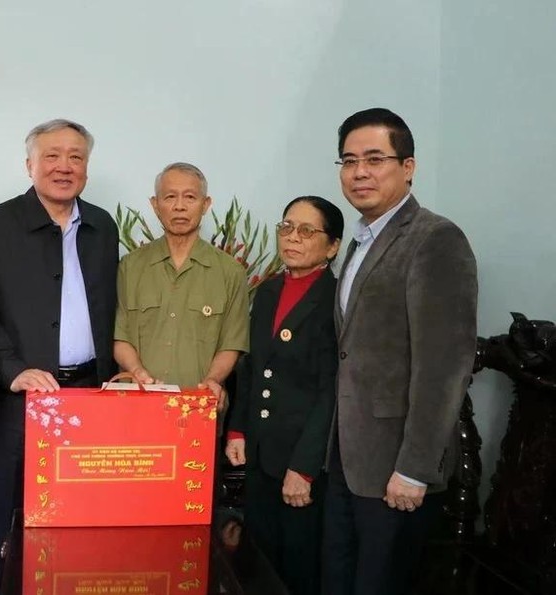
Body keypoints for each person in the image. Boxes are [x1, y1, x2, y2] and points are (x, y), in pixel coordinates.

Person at [322, 108, 478, 595]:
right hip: (348, 458)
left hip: (397, 468)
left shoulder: (435, 239)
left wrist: (414, 468)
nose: (360, 172)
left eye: (375, 158)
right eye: (349, 161)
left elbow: (445, 369)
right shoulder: (361, 241)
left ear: (407, 167)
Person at [0, 118, 118, 595]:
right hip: (21, 398)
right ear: (29, 164)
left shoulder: (102, 226)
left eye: (75, 157)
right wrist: (11, 370)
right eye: (51, 156)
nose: (64, 166)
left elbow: (113, 306)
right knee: (11, 517)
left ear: (87, 167)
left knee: (81, 516)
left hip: (90, 397)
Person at [226, 196, 342, 594]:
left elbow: (333, 390)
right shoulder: (270, 290)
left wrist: (305, 468)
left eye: (307, 231)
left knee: (297, 567)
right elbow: (252, 367)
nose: (293, 237)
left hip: (300, 461)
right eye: (287, 227)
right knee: (257, 559)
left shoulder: (337, 300)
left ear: (333, 246)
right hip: (260, 453)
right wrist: (238, 429)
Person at [114, 162, 249, 402]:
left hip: (199, 407)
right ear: (155, 205)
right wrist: (136, 371)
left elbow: (232, 342)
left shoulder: (230, 272)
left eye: (190, 197)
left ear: (205, 204)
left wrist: (212, 380)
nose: (179, 206)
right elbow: (120, 335)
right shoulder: (130, 267)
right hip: (136, 404)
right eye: (169, 197)